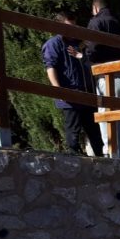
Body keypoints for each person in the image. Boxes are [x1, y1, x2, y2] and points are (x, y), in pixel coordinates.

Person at [42, 11, 104, 157]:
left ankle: (101, 158)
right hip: (69, 95)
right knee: (73, 130)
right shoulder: (53, 44)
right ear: (59, 26)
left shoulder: (79, 43)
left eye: (74, 26)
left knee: (94, 131)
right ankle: (74, 158)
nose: (72, 30)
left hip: (86, 94)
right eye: (69, 27)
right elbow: (50, 67)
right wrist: (58, 89)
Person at [87, 0, 120, 159]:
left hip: (110, 76)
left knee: (106, 115)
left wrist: (86, 59)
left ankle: (110, 152)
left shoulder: (97, 22)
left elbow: (92, 49)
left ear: (95, 8)